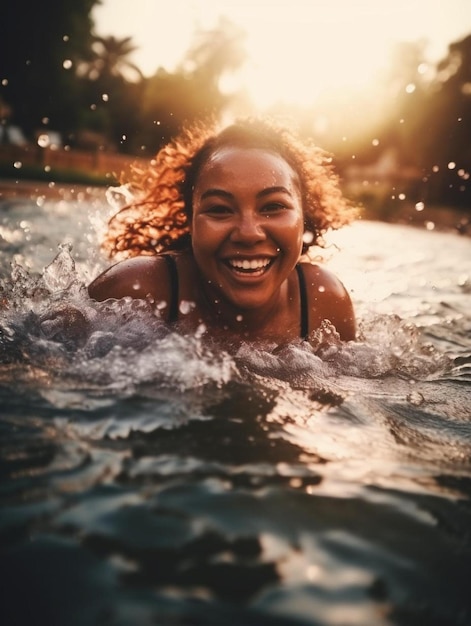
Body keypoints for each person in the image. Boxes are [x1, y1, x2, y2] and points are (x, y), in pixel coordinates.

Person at [88, 116, 357, 346]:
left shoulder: (323, 304)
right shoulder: (135, 292)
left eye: (273, 206)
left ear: (303, 218)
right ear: (191, 220)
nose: (249, 233)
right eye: (219, 209)